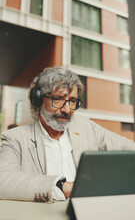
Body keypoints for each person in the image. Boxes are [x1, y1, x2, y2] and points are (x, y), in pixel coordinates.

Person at [0, 66, 135, 203]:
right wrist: (62, 187)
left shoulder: (87, 127)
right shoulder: (15, 138)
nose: (67, 109)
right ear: (38, 101)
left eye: (72, 101)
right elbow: (2, 181)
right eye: (58, 99)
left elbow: (129, 149)